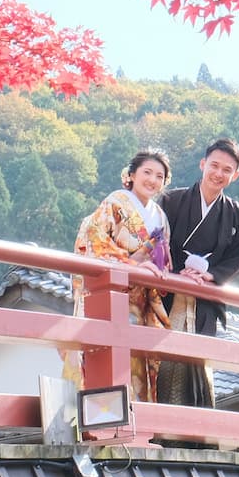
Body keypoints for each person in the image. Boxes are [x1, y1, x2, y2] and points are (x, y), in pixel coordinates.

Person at [66, 149, 173, 402]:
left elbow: (163, 260)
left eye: (159, 176)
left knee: (137, 365)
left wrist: (157, 268)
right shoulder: (115, 203)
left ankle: (136, 419)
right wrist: (132, 265)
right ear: (132, 174)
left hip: (141, 302)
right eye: (147, 172)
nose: (152, 180)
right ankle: (97, 415)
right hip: (111, 295)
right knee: (105, 360)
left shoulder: (160, 216)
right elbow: (94, 241)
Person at [157, 137, 239, 407]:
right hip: (166, 295)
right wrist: (177, 272)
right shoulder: (171, 201)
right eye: (214, 165)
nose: (218, 173)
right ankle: (154, 420)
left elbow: (237, 258)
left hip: (205, 301)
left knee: (196, 366)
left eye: (227, 169)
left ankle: (189, 424)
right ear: (203, 164)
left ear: (235, 175)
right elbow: (156, 243)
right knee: (159, 359)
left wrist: (211, 275)